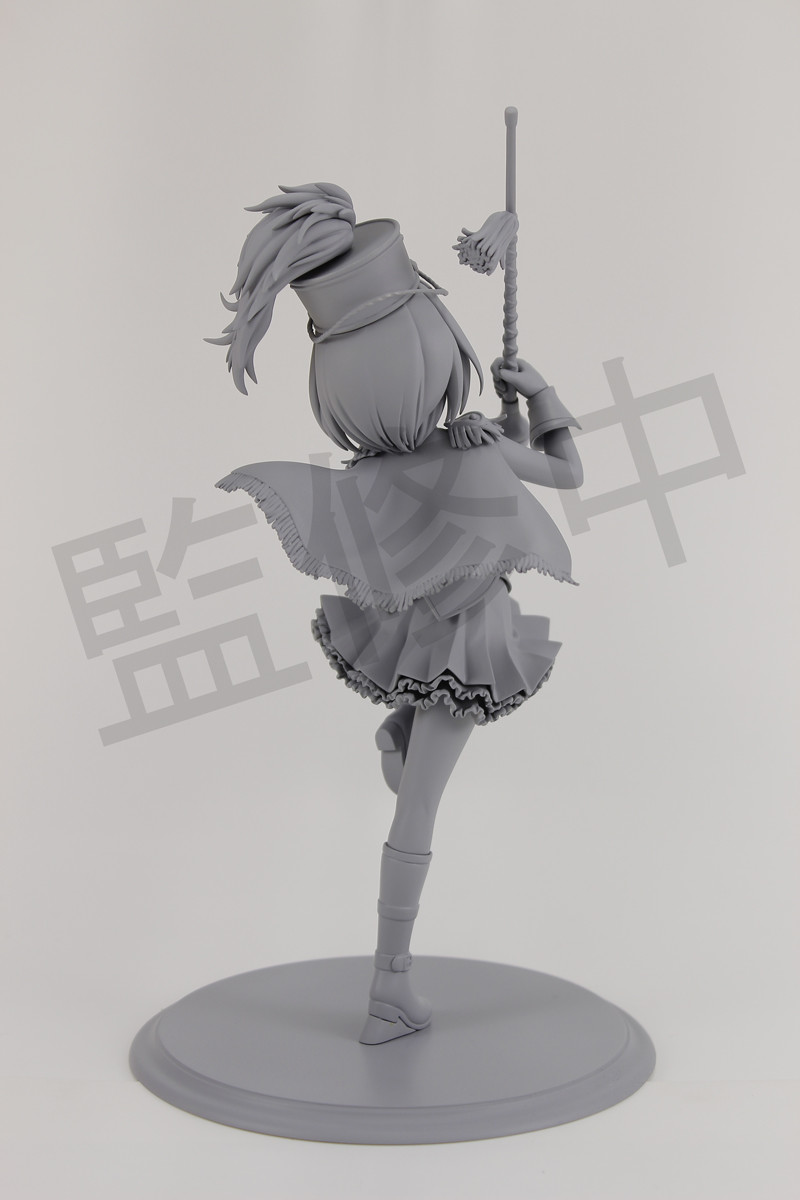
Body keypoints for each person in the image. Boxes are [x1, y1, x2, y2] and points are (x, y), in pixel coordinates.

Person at [212, 183, 583, 1043]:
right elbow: (567, 474)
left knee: (415, 783)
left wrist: (494, 430)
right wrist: (541, 399)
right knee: (417, 813)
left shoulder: (374, 475)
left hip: (423, 638)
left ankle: (398, 738)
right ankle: (390, 987)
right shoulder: (477, 454)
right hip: (467, 641)